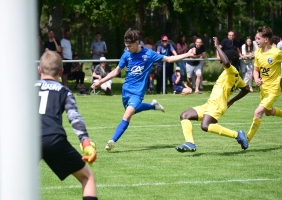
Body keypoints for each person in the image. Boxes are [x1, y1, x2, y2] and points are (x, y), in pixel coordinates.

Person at [91, 28, 195, 151]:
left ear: (137, 43)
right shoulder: (127, 54)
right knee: (132, 110)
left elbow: (169, 59)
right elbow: (116, 71)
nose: (128, 48)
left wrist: (187, 54)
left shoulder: (149, 54)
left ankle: (112, 141)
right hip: (126, 91)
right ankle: (153, 106)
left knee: (127, 115)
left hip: (138, 92)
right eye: (126, 46)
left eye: (129, 46)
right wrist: (101, 81)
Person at [37, 50, 98, 200]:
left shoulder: (24, 90)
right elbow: (75, 118)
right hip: (54, 139)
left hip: (28, 141)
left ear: (39, 69)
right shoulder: (64, 91)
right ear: (61, 71)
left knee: (18, 184)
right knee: (87, 178)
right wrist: (86, 143)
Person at [175, 37, 250, 153]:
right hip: (210, 104)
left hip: (218, 105)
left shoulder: (232, 71)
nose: (220, 61)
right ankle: (190, 144)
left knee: (205, 126)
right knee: (184, 115)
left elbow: (225, 62)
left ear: (230, 62)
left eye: (223, 60)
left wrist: (217, 46)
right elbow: (245, 89)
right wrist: (232, 100)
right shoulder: (235, 75)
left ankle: (237, 134)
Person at [246, 26, 282, 143]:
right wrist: (256, 79)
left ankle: (247, 139)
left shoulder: (276, 53)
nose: (256, 41)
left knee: (258, 112)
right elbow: (256, 69)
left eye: (258, 38)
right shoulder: (258, 53)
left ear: (266, 39)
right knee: (268, 112)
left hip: (273, 89)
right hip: (263, 89)